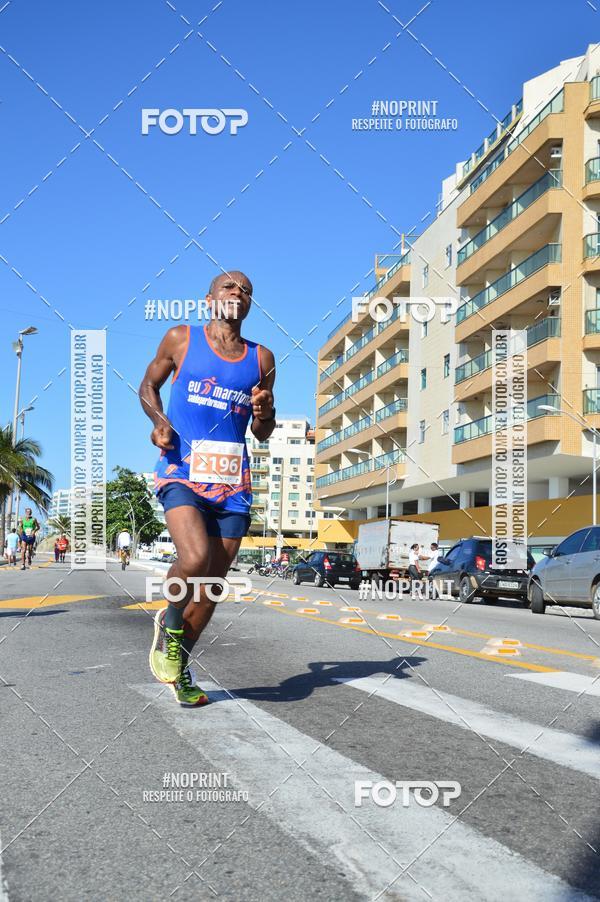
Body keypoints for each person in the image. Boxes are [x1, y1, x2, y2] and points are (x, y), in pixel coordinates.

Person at [140, 270, 276, 707]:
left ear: (250, 304)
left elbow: (262, 431)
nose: (238, 292)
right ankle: (170, 622)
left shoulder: (262, 359)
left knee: (211, 587)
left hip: (233, 484)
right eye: (229, 287)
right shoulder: (181, 338)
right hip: (181, 471)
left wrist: (266, 411)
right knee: (194, 559)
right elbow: (148, 386)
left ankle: (179, 666)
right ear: (209, 299)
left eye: (246, 290)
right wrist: (159, 421)